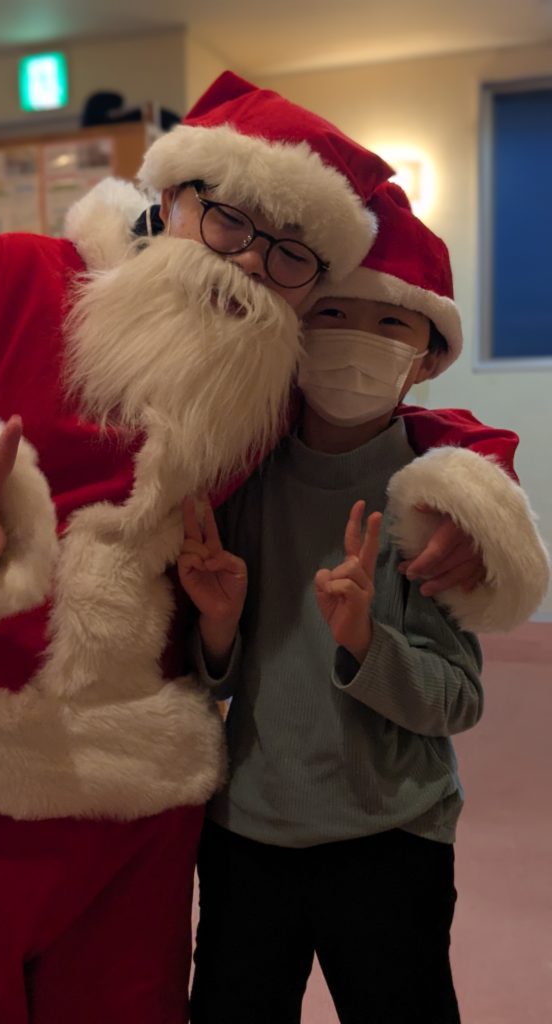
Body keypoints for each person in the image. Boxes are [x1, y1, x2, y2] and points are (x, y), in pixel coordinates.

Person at [0, 72, 396, 1024]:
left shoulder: (266, 395)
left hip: (125, 775)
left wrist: (471, 498)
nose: (246, 263)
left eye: (289, 255)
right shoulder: (13, 277)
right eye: (229, 221)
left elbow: (405, 411)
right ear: (173, 197)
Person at [180, 183, 549, 1024]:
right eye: (334, 314)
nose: (356, 339)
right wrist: (219, 626)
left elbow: (460, 697)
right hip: (247, 836)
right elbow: (207, 683)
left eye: (391, 323)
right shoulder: (242, 480)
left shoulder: (439, 504)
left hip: (390, 839)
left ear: (427, 358)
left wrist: (366, 644)